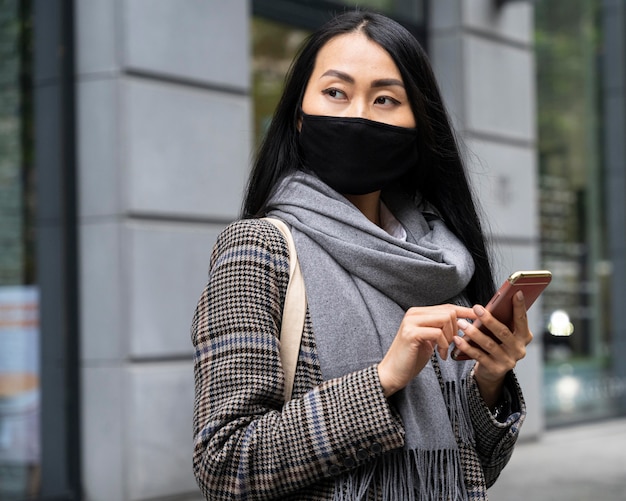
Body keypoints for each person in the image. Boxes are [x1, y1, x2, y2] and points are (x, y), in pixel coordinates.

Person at [192, 9, 531, 500]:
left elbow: (473, 469)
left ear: (418, 126)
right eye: (335, 92)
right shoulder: (258, 249)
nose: (358, 115)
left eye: (386, 99)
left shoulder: (439, 263)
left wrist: (491, 378)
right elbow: (225, 464)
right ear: (299, 116)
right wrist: (383, 380)